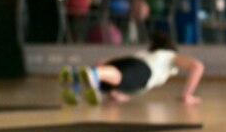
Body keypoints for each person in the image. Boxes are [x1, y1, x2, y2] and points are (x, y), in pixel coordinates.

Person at [59, 30, 204, 106]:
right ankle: (94, 74)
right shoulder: (170, 55)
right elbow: (197, 66)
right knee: (119, 75)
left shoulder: (146, 53)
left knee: (113, 78)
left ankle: (77, 78)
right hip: (143, 70)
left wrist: (114, 92)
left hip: (124, 64)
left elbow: (104, 61)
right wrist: (187, 95)